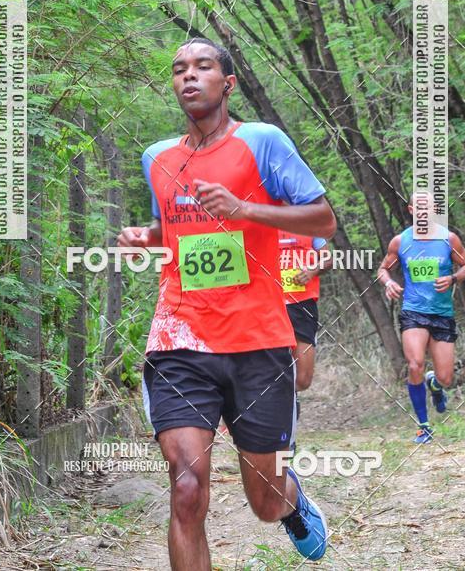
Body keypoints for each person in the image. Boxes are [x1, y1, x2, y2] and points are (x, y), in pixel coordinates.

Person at [117, 37, 337, 569]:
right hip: (180, 340)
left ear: (228, 83)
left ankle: (290, 502)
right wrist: (145, 237)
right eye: (179, 69)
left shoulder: (263, 142)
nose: (188, 76)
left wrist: (246, 209)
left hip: (258, 340)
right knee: (186, 487)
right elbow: (172, 229)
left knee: (264, 501)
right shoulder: (158, 158)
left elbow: (324, 219)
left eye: (202, 66)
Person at [377, 193, 465, 443]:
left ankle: (435, 385)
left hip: (442, 314)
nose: (423, 212)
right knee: (415, 364)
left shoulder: (448, 238)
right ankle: (423, 426)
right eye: (418, 207)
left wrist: (453, 278)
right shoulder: (401, 241)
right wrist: (388, 283)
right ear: (411, 210)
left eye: (428, 207)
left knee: (446, 377)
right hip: (413, 312)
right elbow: (383, 268)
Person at [278, 230, 332, 418]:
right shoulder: (261, 222)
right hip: (271, 306)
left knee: (303, 379)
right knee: (271, 371)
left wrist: (312, 270)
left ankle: (288, 398)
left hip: (302, 307)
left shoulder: (308, 225)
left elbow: (328, 259)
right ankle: (278, 413)